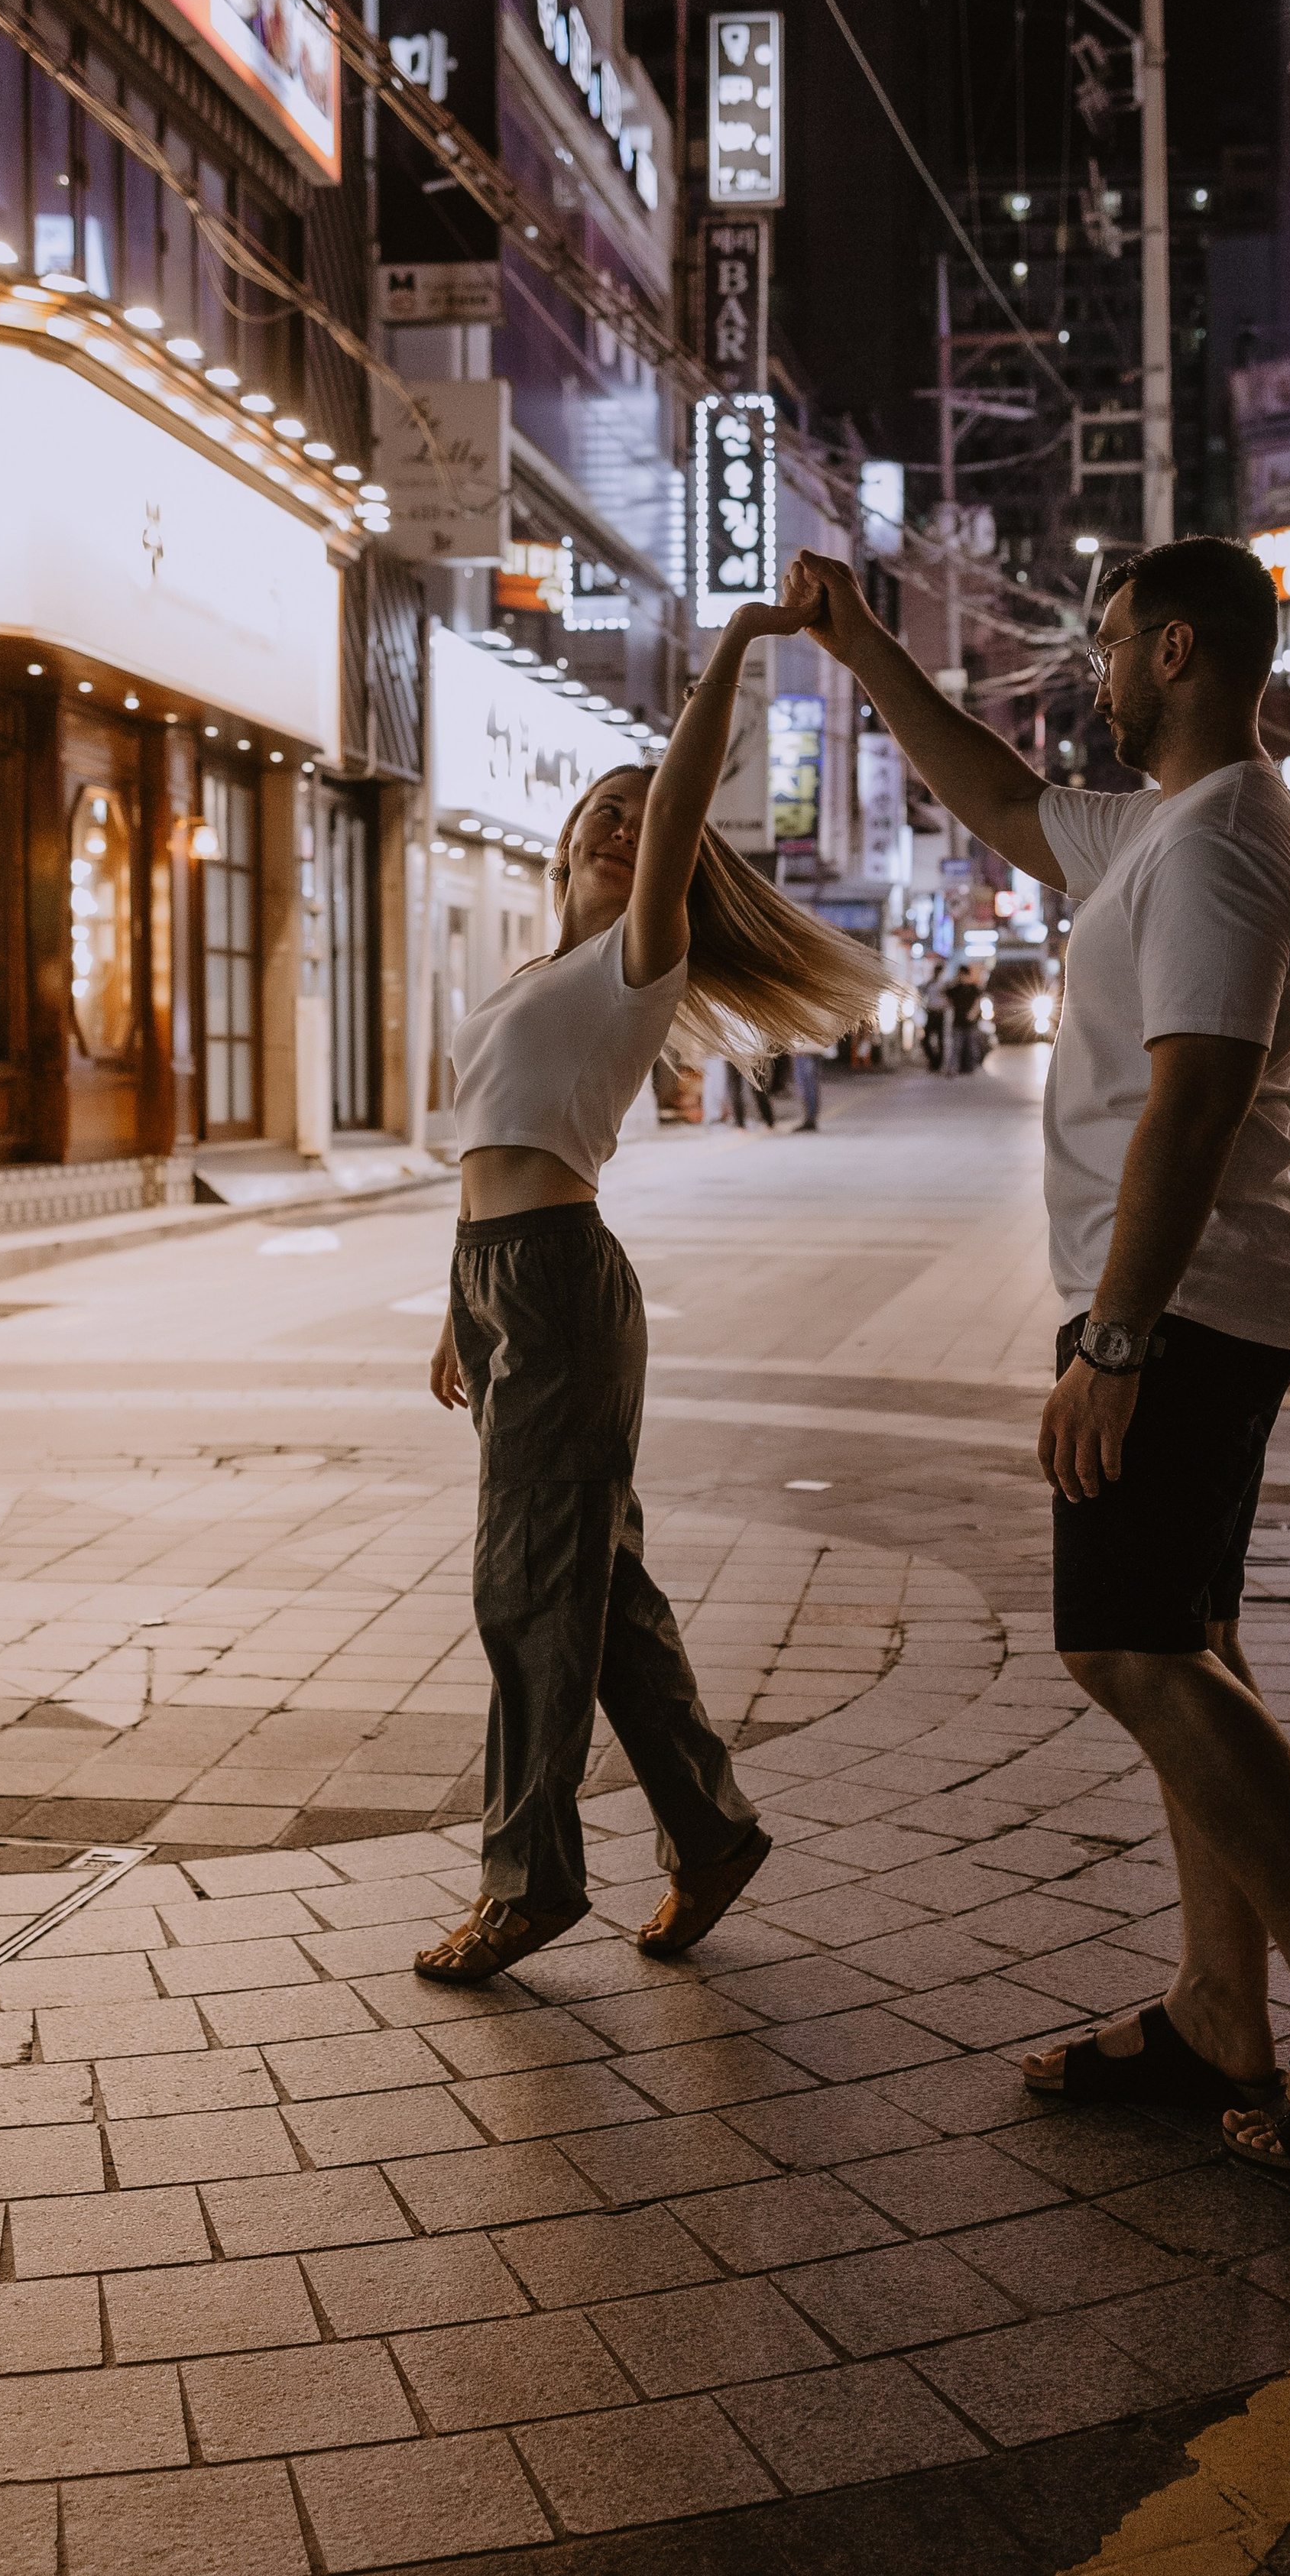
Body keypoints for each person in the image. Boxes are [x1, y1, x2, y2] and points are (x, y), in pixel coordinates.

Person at [783, 540, 1290, 2179]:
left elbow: (1194, 1099)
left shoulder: (1226, 842)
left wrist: (1111, 1340)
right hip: (1185, 1305)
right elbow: (1006, 807)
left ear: (1171, 650)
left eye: (1103, 645)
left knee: (1124, 1652)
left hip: (1181, 1309)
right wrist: (865, 645)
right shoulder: (1165, 831)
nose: (1088, 674)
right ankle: (1213, 2015)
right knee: (1182, 1641)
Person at [416, 591, 884, 1986]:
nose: (621, 822)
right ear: (563, 840)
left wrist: (737, 645)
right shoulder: (531, 976)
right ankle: (711, 1828)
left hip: (561, 1280)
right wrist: (457, 1305)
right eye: (602, 810)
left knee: (525, 1588)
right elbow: (483, 1144)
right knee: (593, 1589)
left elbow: (679, 798)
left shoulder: (641, 957)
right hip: (504, 1284)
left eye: (642, 811)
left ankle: (529, 1883)